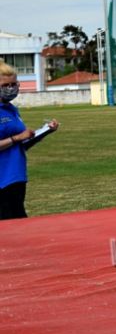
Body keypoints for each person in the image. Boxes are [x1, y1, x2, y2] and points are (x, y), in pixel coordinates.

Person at [0, 62, 60, 219]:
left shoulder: (11, 109)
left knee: (19, 221)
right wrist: (17, 137)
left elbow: (21, 145)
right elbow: (17, 139)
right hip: (2, 180)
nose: (11, 88)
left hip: (16, 176)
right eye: (5, 85)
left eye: (14, 84)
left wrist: (44, 131)